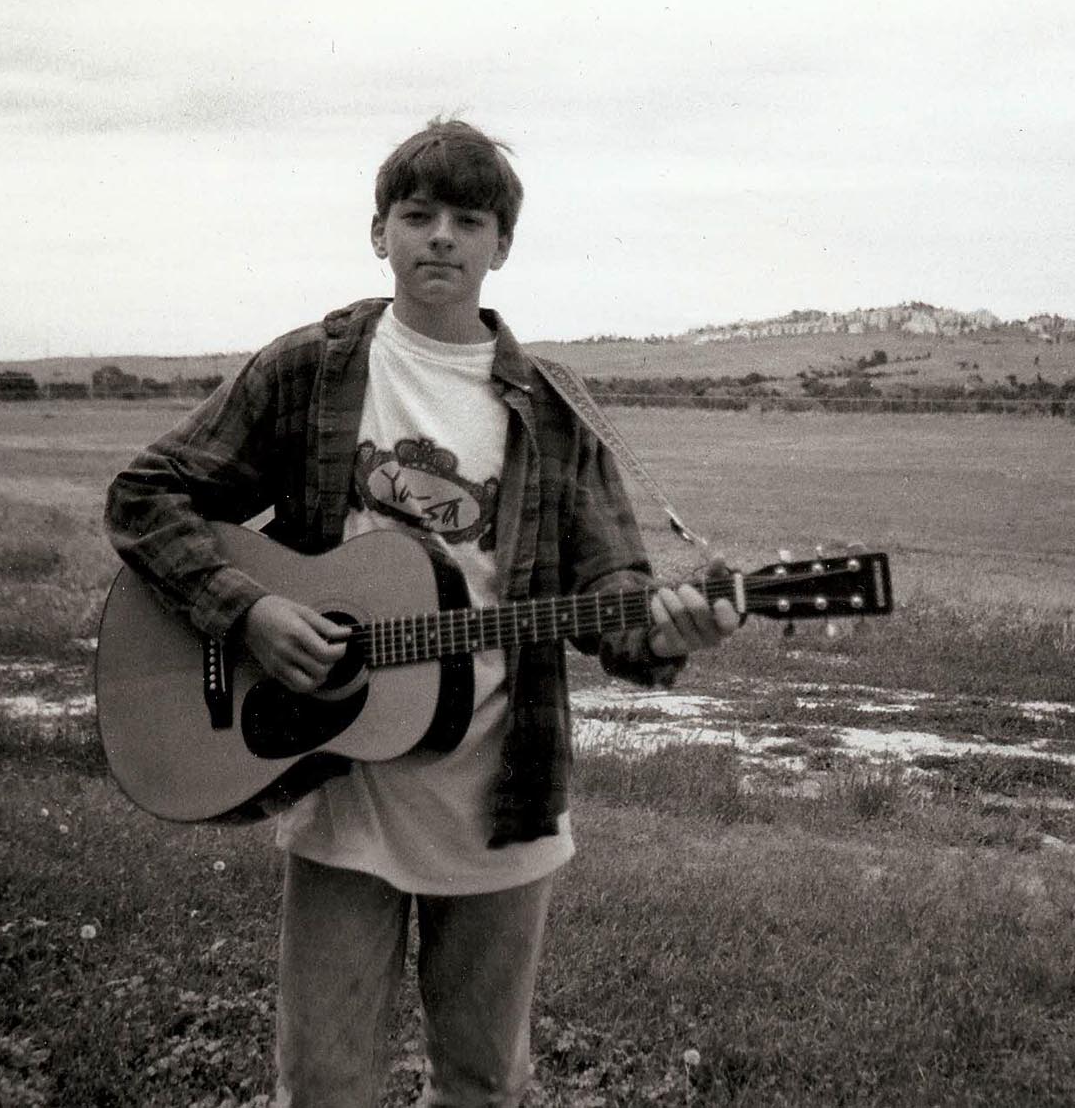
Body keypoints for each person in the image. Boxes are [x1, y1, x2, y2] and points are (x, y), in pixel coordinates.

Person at [104, 118, 741, 1107]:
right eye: (416, 214)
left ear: (501, 247)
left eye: (467, 219)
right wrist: (250, 611)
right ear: (379, 234)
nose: (440, 235)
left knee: (484, 1082)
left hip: (498, 795)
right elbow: (146, 497)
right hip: (341, 787)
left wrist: (666, 628)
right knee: (322, 1085)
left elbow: (612, 598)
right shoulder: (311, 369)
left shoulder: (553, 410)